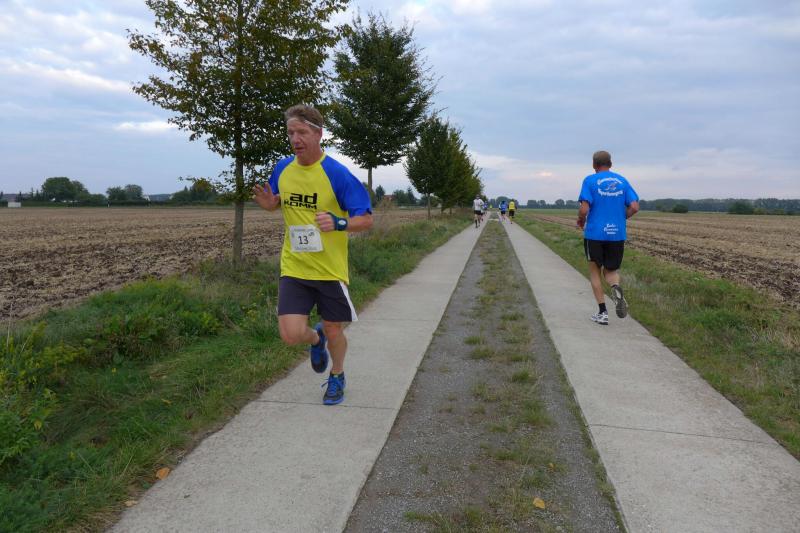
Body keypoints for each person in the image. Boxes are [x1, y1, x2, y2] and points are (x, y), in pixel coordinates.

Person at [253, 104, 373, 404]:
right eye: (291, 133)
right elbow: (276, 203)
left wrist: (339, 223)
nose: (295, 139)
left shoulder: (337, 174)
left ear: (319, 134)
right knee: (290, 334)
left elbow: (365, 219)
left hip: (329, 269)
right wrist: (268, 205)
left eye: (302, 132)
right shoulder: (283, 168)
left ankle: (337, 375)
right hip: (294, 265)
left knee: (334, 328)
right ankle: (315, 340)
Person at [576, 150, 639, 325]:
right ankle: (615, 288)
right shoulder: (622, 181)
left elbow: (584, 209)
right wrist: (622, 217)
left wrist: (581, 220)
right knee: (611, 271)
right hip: (617, 234)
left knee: (595, 271)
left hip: (595, 233)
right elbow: (634, 206)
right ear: (610, 164)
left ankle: (603, 313)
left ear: (594, 165)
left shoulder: (590, 180)